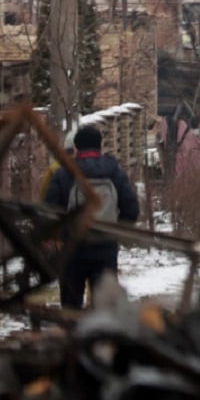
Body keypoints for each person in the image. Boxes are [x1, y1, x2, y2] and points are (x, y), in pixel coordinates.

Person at [44, 125, 140, 310]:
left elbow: (49, 211)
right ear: (100, 145)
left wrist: (60, 235)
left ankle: (71, 337)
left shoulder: (64, 174)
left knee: (71, 307)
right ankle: (101, 337)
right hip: (105, 249)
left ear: (77, 147)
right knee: (104, 308)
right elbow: (132, 209)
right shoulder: (115, 173)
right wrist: (115, 231)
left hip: (73, 249)